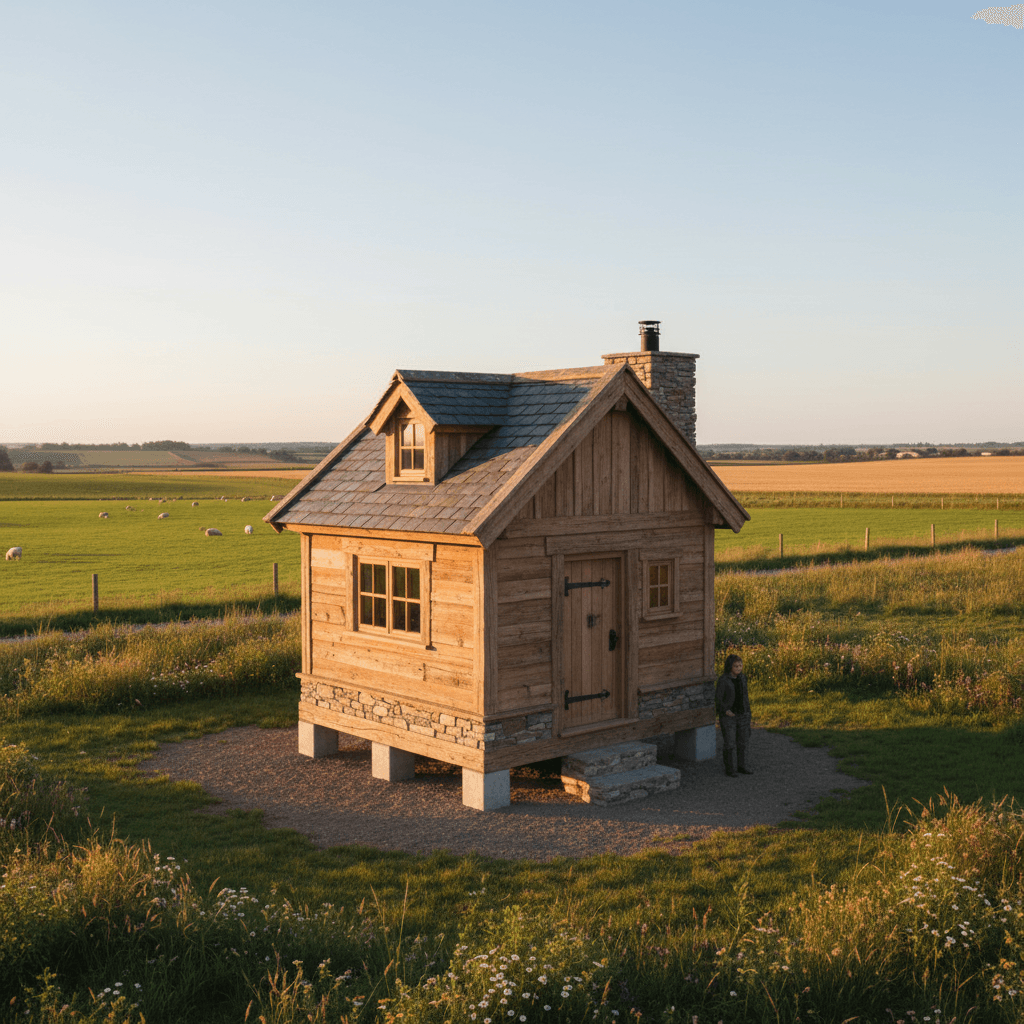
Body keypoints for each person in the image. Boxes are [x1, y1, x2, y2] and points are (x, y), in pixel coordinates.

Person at [715, 654, 753, 777]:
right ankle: (730, 769)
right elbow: (718, 698)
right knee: (730, 743)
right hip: (729, 717)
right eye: (736, 666)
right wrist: (725, 710)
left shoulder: (743, 678)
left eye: (740, 665)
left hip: (743, 714)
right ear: (730, 666)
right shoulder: (723, 680)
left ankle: (743, 766)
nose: (739, 668)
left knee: (743, 742)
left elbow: (745, 697)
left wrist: (748, 713)